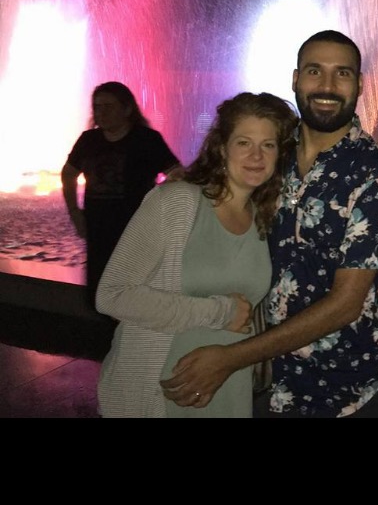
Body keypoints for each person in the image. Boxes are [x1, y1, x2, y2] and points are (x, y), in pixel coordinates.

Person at [160, 30, 378, 418]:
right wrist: (188, 183)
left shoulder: (375, 170)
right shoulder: (273, 152)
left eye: (342, 73)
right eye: (314, 71)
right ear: (295, 79)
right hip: (264, 381)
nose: (327, 86)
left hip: (344, 388)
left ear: (359, 84)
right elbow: (221, 188)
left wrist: (230, 358)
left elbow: (346, 304)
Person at [95, 92, 298, 417]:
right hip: (161, 393)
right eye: (244, 142)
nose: (256, 155)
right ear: (222, 148)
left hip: (229, 387)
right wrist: (219, 312)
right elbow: (112, 295)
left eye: (268, 145)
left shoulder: (264, 218)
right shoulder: (175, 202)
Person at [61, 81, 183, 307]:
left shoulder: (146, 140)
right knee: (98, 291)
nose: (101, 113)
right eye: (97, 107)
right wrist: (75, 213)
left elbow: (176, 173)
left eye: (108, 106)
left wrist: (162, 203)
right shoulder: (89, 140)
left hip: (137, 229)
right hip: (97, 227)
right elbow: (68, 173)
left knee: (133, 292)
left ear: (127, 109)